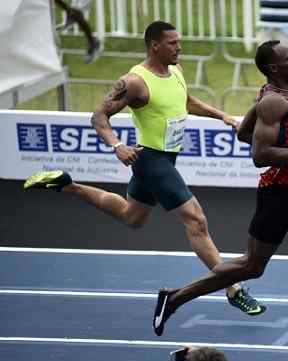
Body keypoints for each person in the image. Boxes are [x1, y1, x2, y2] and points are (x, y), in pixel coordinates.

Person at [23, 21, 266, 325]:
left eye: (179, 42)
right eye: (173, 43)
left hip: (164, 159)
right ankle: (233, 289)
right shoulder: (135, 81)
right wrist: (117, 146)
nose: (180, 48)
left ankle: (68, 185)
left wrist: (223, 117)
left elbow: (186, 102)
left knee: (131, 216)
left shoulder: (175, 71)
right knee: (196, 220)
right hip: (150, 160)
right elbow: (99, 117)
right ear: (155, 45)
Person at [152, 40, 288, 350]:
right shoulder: (273, 102)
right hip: (280, 192)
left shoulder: (273, 97)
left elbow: (245, 133)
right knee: (252, 267)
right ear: (273, 68)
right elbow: (260, 154)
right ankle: (174, 298)